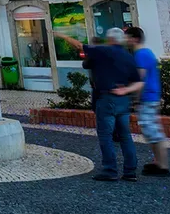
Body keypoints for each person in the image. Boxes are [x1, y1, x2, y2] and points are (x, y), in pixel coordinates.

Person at [59, 27, 143, 181]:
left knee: (105, 135)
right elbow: (138, 82)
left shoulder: (103, 51)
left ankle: (110, 170)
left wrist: (62, 35)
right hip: (123, 101)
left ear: (110, 39)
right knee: (125, 136)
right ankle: (130, 171)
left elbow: (79, 46)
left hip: (107, 98)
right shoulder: (129, 56)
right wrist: (125, 91)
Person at [125, 26, 169, 177]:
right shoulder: (147, 52)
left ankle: (163, 166)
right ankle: (158, 162)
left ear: (135, 39)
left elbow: (140, 79)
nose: (126, 40)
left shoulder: (141, 55)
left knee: (153, 132)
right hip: (151, 96)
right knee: (151, 132)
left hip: (147, 98)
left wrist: (135, 100)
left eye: (128, 37)